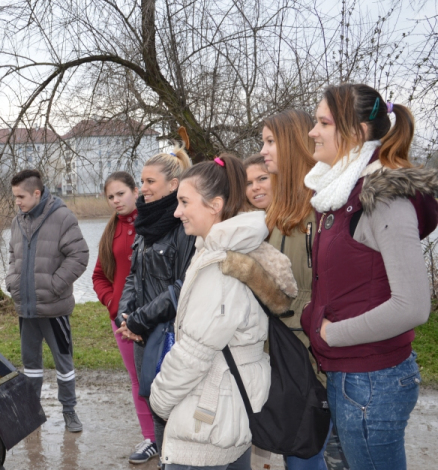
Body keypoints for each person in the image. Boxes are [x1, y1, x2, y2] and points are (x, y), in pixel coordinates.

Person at [302, 84, 437, 470]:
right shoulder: (340, 194)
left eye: (323, 122)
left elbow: (412, 306)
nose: (313, 131)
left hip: (372, 381)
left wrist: (331, 334)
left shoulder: (382, 196)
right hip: (354, 376)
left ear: (358, 131)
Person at [150, 154, 296, 470]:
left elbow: (193, 353)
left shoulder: (221, 266)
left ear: (215, 205)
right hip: (230, 410)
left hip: (208, 420)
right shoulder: (234, 252)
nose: (177, 212)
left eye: (185, 202)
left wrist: (159, 399)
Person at [261, 109, 345, 470]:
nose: (263, 150)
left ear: (293, 145)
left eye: (270, 141)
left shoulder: (321, 210)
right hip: (282, 358)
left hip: (310, 362)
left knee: (306, 457)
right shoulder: (275, 212)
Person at [115, 146, 196, 460]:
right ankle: (165, 460)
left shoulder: (183, 225)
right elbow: (134, 274)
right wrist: (127, 316)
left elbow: (183, 286)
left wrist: (141, 319)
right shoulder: (145, 224)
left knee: (177, 410)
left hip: (172, 335)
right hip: (142, 334)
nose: (143, 188)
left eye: (150, 182)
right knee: (154, 403)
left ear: (173, 185)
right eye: (142, 181)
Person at [5, 169, 89, 433]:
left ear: (37, 193)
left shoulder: (62, 217)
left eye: (21, 196)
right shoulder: (17, 221)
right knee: (30, 367)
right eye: (15, 197)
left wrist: (54, 285)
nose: (17, 201)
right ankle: (32, 413)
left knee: (64, 365)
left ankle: (69, 412)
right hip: (26, 309)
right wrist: (12, 282)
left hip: (54, 309)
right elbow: (12, 255)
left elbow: (80, 255)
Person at [92, 171, 158, 464]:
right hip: (123, 321)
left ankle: (171, 434)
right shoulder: (110, 231)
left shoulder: (155, 220)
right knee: (137, 379)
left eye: (121, 193)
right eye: (111, 196)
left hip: (156, 315)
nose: (116, 200)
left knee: (163, 376)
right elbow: (98, 276)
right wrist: (112, 304)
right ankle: (151, 438)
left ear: (135, 191)